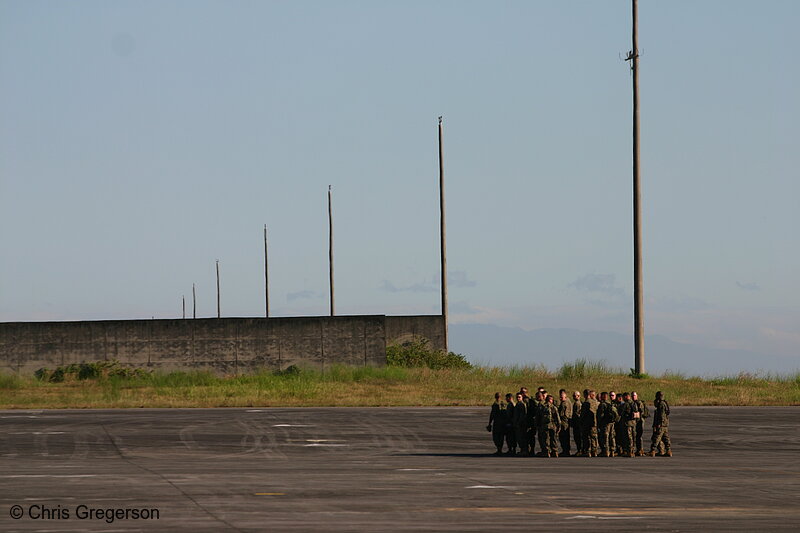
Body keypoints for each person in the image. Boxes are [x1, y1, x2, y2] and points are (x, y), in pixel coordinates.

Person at [649, 391, 672, 457]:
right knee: (665, 438)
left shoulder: (661, 404)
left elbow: (661, 415)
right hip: (665, 424)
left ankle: (653, 450)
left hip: (661, 424)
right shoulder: (665, 403)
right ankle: (668, 451)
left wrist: (659, 423)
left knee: (656, 437)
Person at [597, 392, 617, 457]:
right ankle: (612, 451)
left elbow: (600, 415)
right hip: (612, 422)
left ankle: (606, 451)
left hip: (605, 423)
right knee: (612, 436)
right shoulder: (610, 404)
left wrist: (599, 422)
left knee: (605, 437)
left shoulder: (602, 404)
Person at [580, 390, 599, 457]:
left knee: (587, 437)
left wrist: (581, 421)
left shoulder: (586, 403)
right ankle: (594, 451)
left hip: (587, 423)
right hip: (594, 422)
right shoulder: (595, 402)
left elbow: (583, 414)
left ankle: (588, 451)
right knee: (594, 437)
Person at [631, 391, 650, 456]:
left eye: (634, 395)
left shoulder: (639, 403)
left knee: (639, 435)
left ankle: (640, 450)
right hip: (636, 421)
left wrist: (635, 415)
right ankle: (638, 449)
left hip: (640, 421)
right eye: (632, 396)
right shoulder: (633, 403)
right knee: (636, 436)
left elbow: (641, 413)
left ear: (637, 396)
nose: (633, 397)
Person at [513, 392, 529, 456]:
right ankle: (522, 450)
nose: (518, 398)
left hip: (521, 424)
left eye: (519, 397)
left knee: (522, 437)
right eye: (517, 397)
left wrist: (519, 423)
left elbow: (522, 415)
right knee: (519, 438)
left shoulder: (522, 405)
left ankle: (524, 450)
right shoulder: (518, 404)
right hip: (518, 423)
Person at [557, 389, 571, 457]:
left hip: (564, 422)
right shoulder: (565, 402)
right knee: (563, 437)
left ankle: (566, 450)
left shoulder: (565, 403)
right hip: (564, 422)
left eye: (562, 395)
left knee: (564, 437)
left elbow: (563, 414)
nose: (560, 397)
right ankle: (565, 450)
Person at [571, 390, 582, 456]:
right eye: (573, 396)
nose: (574, 397)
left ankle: (580, 450)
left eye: (575, 396)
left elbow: (577, 414)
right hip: (576, 423)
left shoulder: (578, 404)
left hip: (577, 423)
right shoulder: (576, 403)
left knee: (578, 437)